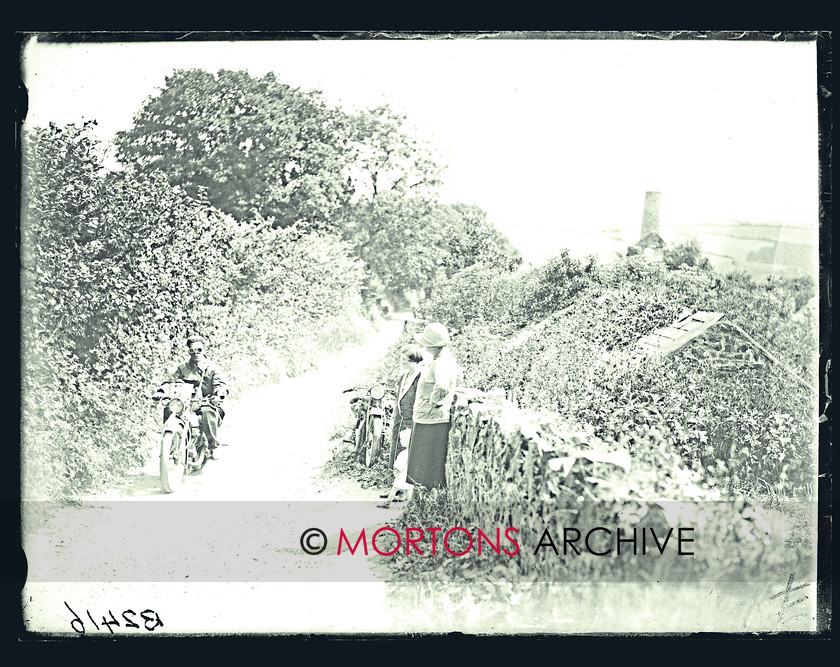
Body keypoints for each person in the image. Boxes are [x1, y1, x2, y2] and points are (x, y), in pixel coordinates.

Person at [405, 323, 460, 491]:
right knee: (424, 472)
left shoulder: (441, 363)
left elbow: (442, 387)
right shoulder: (444, 360)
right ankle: (423, 506)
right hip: (430, 420)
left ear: (432, 344)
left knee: (424, 472)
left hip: (431, 421)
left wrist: (432, 403)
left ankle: (423, 507)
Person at [155, 335, 230, 459]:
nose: (196, 353)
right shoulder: (182, 368)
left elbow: (220, 384)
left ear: (203, 350)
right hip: (186, 403)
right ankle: (168, 444)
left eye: (199, 350)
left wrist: (219, 394)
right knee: (170, 408)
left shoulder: (211, 368)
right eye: (192, 350)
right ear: (189, 351)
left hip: (207, 402)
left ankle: (213, 447)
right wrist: (161, 392)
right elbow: (170, 381)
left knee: (207, 412)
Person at [378, 345, 423, 506]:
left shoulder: (420, 377)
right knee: (396, 453)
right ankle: (394, 488)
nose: (402, 362)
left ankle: (404, 492)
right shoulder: (403, 377)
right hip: (400, 420)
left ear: (413, 361)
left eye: (405, 360)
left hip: (411, 421)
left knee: (407, 457)